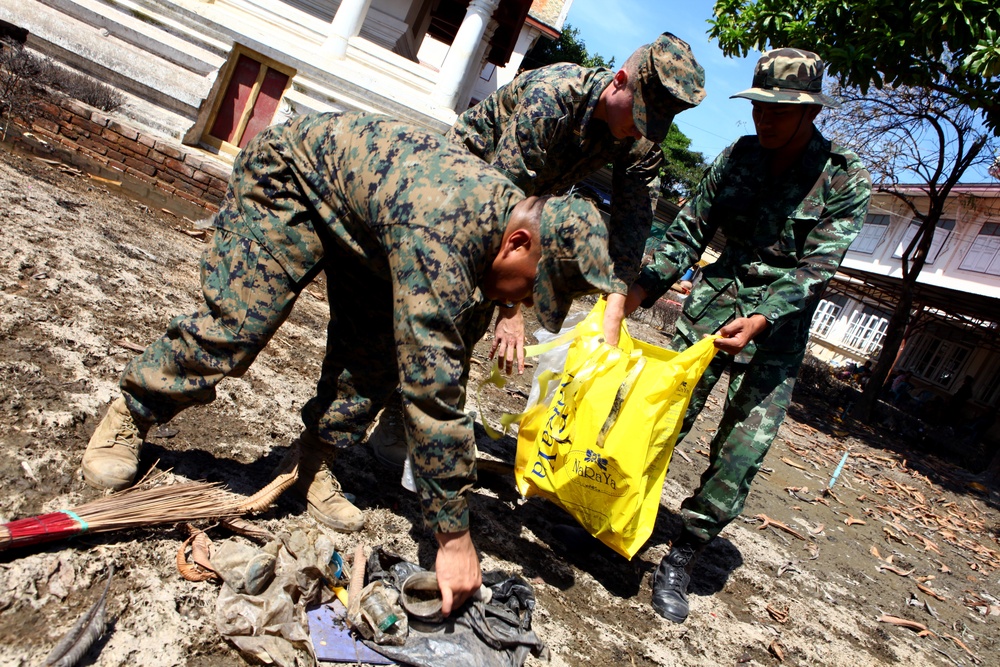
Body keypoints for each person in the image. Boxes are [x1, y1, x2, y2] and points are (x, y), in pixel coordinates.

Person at [81, 111, 614, 616]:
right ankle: (131, 413)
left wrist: (508, 301)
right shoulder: (444, 231)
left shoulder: (496, 226)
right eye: (529, 287)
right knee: (239, 325)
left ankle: (311, 464)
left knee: (373, 361)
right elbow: (433, 387)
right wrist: (453, 537)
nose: (518, 301)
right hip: (290, 180)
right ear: (518, 241)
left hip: (368, 225)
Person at [368, 32, 706, 467]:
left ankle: (413, 421)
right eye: (640, 116)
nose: (642, 130)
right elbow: (502, 196)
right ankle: (379, 418)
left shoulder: (640, 141)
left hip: (518, 212)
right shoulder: (553, 96)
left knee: (470, 316)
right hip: (459, 188)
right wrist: (509, 308)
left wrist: (613, 312)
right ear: (619, 80)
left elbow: (631, 227)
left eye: (654, 125)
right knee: (440, 308)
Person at [623, 48, 872, 623]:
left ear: (810, 112)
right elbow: (687, 231)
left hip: (776, 333)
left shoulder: (845, 178)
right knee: (660, 419)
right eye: (761, 105)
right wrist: (640, 292)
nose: (766, 119)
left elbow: (818, 268)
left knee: (740, 454)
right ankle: (620, 512)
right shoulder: (736, 157)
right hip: (709, 312)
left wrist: (762, 318)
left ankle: (684, 551)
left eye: (780, 110)